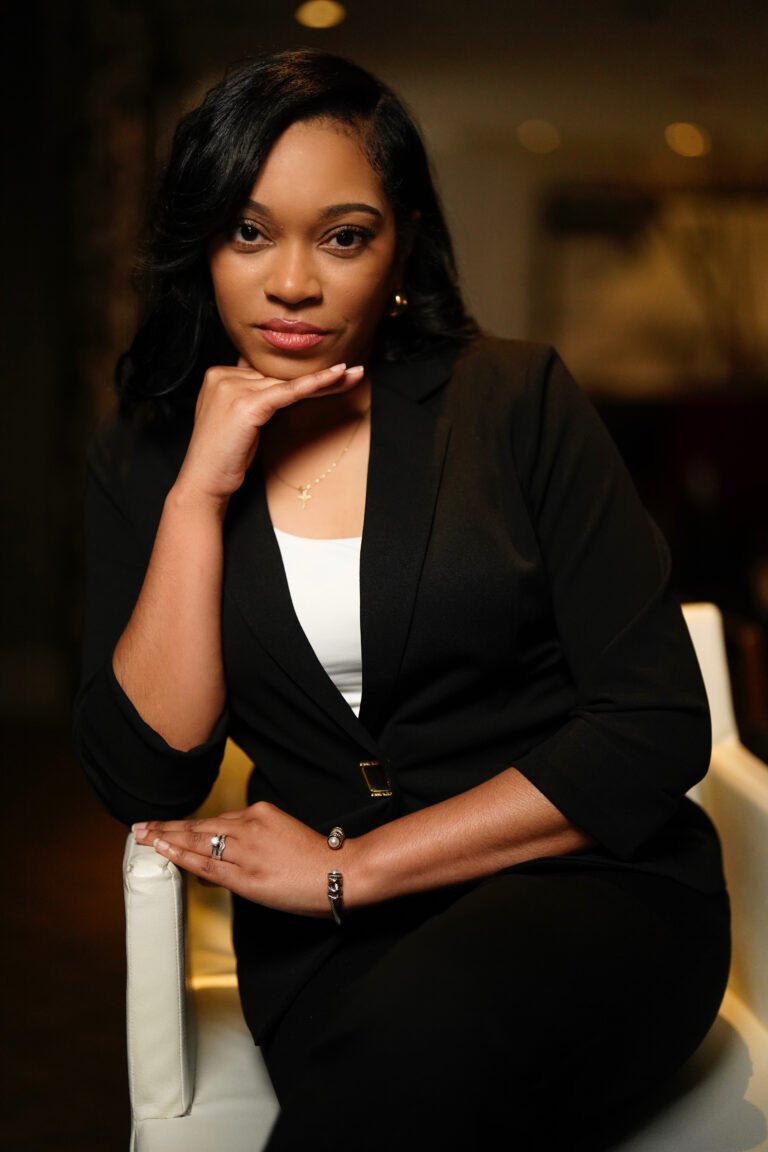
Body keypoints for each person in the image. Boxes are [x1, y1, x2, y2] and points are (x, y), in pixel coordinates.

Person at [74, 48, 730, 1150]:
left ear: (402, 245)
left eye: (342, 236)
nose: (292, 282)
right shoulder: (147, 457)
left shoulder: (516, 401)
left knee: (423, 1052)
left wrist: (354, 868)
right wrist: (198, 493)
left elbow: (655, 722)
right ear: (201, 244)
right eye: (248, 232)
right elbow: (147, 777)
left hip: (590, 893)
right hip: (328, 950)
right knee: (393, 1073)